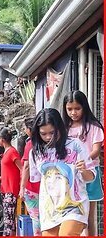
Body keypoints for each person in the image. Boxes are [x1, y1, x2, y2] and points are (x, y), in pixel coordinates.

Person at [29, 108, 95, 236]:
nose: (48, 137)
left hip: (75, 207)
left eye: (52, 133)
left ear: (60, 128)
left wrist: (84, 170)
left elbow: (91, 176)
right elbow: (36, 180)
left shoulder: (75, 145)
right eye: (43, 134)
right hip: (49, 212)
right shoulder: (35, 152)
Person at [62, 90, 104, 236]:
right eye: (69, 109)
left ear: (84, 107)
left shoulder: (94, 127)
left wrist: (82, 163)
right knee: (72, 214)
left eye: (77, 108)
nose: (73, 112)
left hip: (90, 173)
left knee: (89, 216)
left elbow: (96, 151)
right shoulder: (63, 130)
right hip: (70, 176)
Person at [0, 127, 22, 236]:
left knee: (8, 219)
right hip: (5, 189)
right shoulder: (6, 152)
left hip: (11, 190)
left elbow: (22, 169)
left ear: (2, 139)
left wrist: (22, 186)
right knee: (8, 217)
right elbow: (9, 171)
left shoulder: (12, 152)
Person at [18, 117, 41, 236]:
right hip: (44, 186)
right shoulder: (44, 142)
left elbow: (26, 167)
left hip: (31, 187)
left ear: (29, 130)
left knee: (35, 217)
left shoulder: (30, 144)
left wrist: (22, 188)